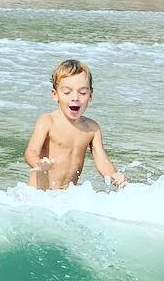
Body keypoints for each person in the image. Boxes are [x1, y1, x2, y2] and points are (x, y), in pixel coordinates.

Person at [24, 59, 127, 191]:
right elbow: (30, 151)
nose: (75, 97)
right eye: (67, 92)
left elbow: (102, 160)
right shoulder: (48, 121)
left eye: (82, 93)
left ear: (90, 96)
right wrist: (38, 163)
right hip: (37, 194)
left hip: (66, 196)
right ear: (55, 95)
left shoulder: (92, 129)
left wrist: (114, 176)